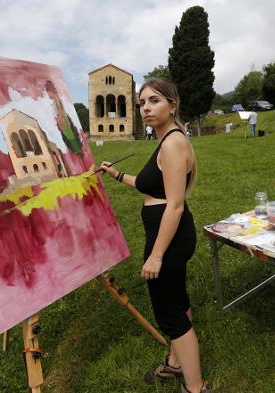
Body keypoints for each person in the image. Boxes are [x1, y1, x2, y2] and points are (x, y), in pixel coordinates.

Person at [99, 78, 212, 393]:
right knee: (177, 299)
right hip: (171, 233)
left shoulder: (173, 143)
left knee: (171, 314)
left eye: (154, 101)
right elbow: (153, 186)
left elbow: (174, 206)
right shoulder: (167, 141)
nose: (146, 108)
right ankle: (176, 364)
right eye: (142, 103)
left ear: (172, 105)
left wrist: (156, 255)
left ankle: (195, 388)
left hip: (169, 235)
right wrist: (117, 174)